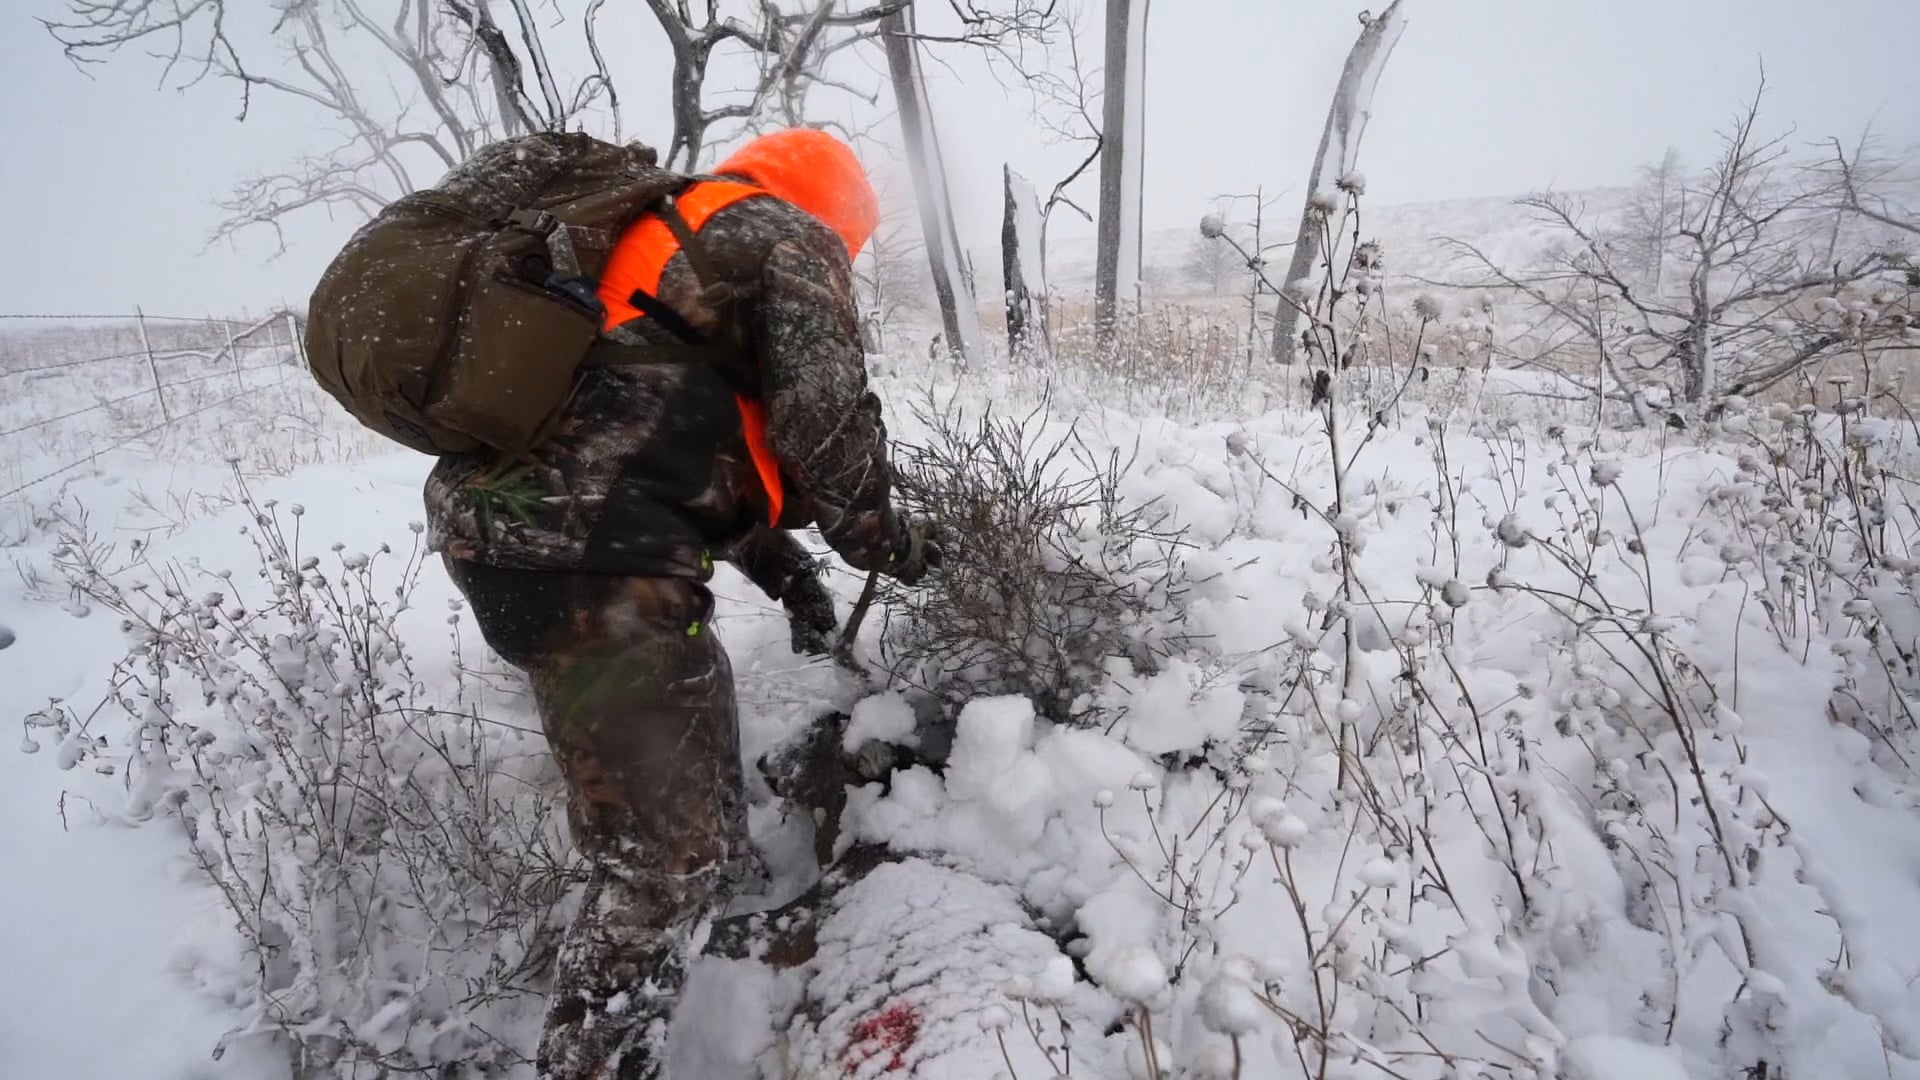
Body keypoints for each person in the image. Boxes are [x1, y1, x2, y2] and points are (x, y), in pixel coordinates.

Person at [421, 128, 938, 1080]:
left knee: (675, 810)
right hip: (598, 570)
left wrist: (790, 576)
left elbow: (645, 438)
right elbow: (825, 425)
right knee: (666, 869)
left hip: (511, 546)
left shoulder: (648, 243)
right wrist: (891, 544)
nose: (847, 258)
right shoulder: (788, 233)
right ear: (838, 206)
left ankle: (720, 926)